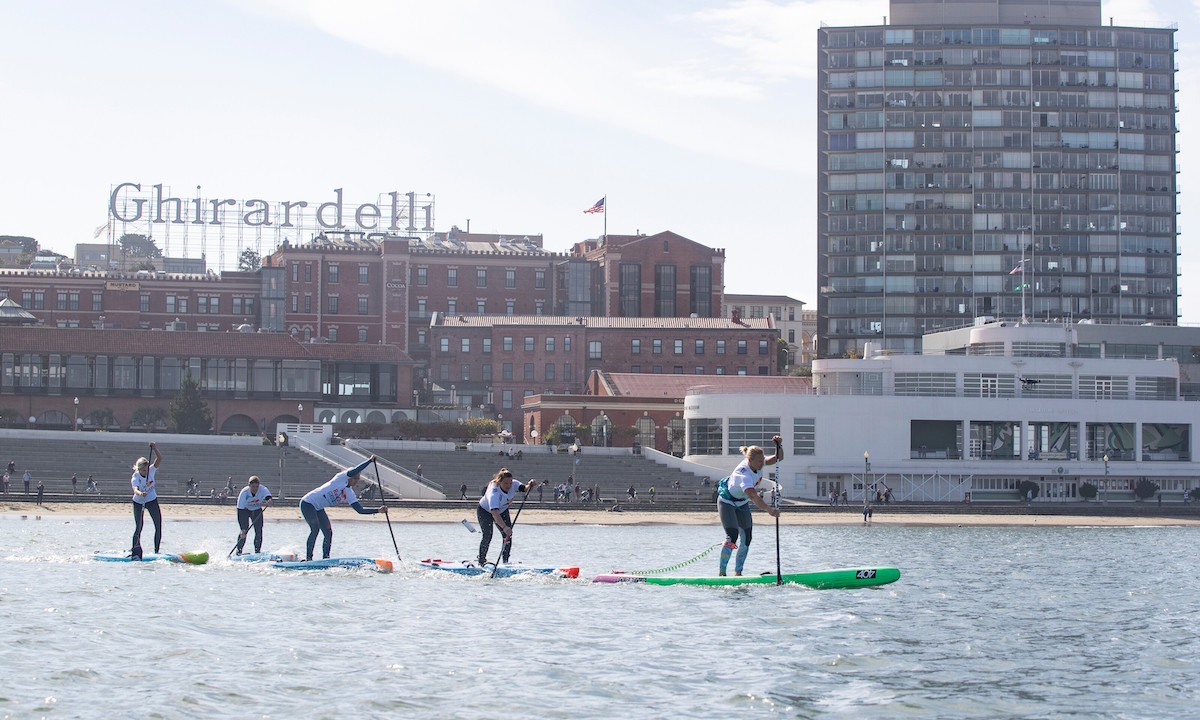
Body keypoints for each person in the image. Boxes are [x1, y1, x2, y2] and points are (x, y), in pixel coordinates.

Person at [716, 436, 782, 577]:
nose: (762, 463)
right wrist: (769, 509)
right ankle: (722, 574)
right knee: (732, 536)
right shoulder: (743, 475)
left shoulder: (757, 462)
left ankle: (738, 573)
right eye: (760, 461)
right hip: (727, 502)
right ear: (750, 461)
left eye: (762, 460)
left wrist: (779, 446)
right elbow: (753, 496)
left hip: (741, 502)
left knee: (747, 538)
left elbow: (778, 459)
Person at [299, 456, 386, 561]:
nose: (356, 481)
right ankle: (309, 558)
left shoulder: (350, 494)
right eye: (355, 478)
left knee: (328, 532)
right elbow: (356, 470)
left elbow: (360, 510)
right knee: (315, 528)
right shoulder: (340, 478)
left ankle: (326, 559)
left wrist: (378, 510)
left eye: (358, 479)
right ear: (349, 476)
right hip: (308, 503)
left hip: (318, 508)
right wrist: (369, 461)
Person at [476, 468, 533, 567]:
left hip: (502, 510)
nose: (509, 485)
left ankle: (505, 562)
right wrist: (504, 527)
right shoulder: (494, 493)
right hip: (485, 511)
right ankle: (481, 561)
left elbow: (525, 488)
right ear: (499, 482)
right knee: (488, 535)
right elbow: (494, 513)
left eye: (510, 483)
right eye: (506, 483)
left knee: (508, 535)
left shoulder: (513, 483)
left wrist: (531, 485)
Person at [130, 443, 164, 559]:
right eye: (143, 471)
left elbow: (159, 458)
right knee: (139, 526)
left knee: (158, 524)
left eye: (146, 470)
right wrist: (141, 493)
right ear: (139, 469)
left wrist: (154, 448)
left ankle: (156, 551)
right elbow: (135, 490)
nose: (146, 472)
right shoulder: (136, 477)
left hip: (151, 500)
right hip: (138, 502)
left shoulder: (151, 470)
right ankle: (135, 549)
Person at [234, 475, 273, 555]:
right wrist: (242, 528)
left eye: (256, 486)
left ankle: (257, 551)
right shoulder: (244, 493)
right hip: (244, 511)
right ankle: (239, 551)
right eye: (253, 487)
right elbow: (240, 510)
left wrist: (269, 500)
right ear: (249, 485)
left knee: (258, 531)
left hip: (257, 510)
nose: (255, 489)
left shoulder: (263, 489)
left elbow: (268, 496)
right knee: (244, 531)